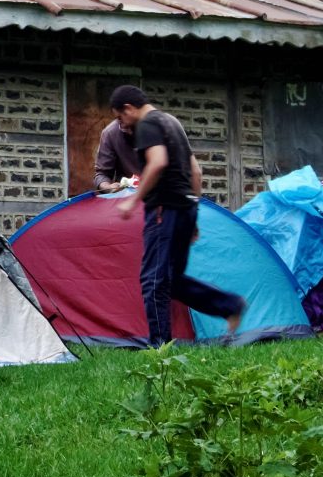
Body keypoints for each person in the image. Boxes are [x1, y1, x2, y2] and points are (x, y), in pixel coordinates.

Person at [104, 85, 244, 346]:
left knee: (153, 281)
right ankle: (229, 305)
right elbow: (196, 171)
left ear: (129, 108)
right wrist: (193, 216)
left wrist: (133, 200)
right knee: (173, 281)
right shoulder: (172, 122)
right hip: (185, 208)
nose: (121, 124)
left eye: (119, 117)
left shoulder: (147, 124)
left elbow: (158, 162)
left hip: (163, 209)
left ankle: (160, 348)